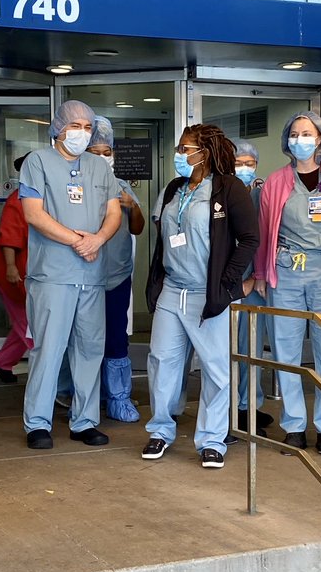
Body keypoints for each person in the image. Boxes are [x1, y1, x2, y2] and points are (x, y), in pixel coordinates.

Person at [143, 123, 258, 468]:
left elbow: (250, 240)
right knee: (161, 363)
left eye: (185, 149)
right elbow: (164, 233)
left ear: (204, 153)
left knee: (215, 369)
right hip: (172, 291)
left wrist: (226, 282)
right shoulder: (174, 188)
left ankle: (212, 440)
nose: (179, 155)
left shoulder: (229, 188)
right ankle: (160, 431)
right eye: (179, 148)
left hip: (206, 295)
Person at [253, 112, 321, 456]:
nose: (301, 139)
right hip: (285, 271)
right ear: (287, 141)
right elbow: (264, 232)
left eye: (307, 133)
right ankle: (294, 425)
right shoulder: (276, 182)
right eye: (295, 133)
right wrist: (262, 274)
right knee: (286, 351)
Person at [20, 99, 120, 449]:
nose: (81, 133)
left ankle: (85, 421)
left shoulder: (98, 167)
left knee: (90, 349)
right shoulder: (38, 162)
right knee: (49, 349)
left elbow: (113, 212)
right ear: (58, 127)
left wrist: (99, 239)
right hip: (53, 275)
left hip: (92, 274)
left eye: (87, 127)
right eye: (74, 126)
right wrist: (79, 241)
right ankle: (37, 423)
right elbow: (34, 214)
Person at [88, 116, 145, 422]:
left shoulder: (121, 186)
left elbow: (138, 228)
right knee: (85, 339)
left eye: (105, 152)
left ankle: (119, 397)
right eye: (94, 152)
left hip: (116, 277)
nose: (101, 158)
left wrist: (132, 207)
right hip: (84, 278)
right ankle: (83, 396)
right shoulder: (76, 187)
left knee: (115, 338)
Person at [231, 139, 274, 433]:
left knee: (251, 351)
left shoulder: (260, 195)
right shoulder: (218, 195)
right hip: (224, 288)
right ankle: (228, 408)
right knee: (226, 352)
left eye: (250, 163)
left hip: (251, 285)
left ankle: (249, 407)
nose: (244, 169)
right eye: (238, 163)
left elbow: (265, 237)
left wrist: (254, 278)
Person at [0, 153, 31, 384]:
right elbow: (8, 237)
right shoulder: (18, 200)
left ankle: (1, 361)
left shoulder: (37, 197)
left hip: (28, 273)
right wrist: (11, 268)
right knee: (30, 326)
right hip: (12, 275)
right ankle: (50, 378)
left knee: (24, 323)